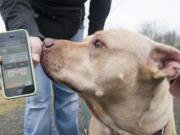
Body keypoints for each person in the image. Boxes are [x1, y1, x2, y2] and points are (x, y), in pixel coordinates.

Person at [0, 0, 111, 135]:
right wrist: (27, 31)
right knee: (38, 99)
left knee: (68, 96)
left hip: (71, 25)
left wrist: (94, 36)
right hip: (34, 21)